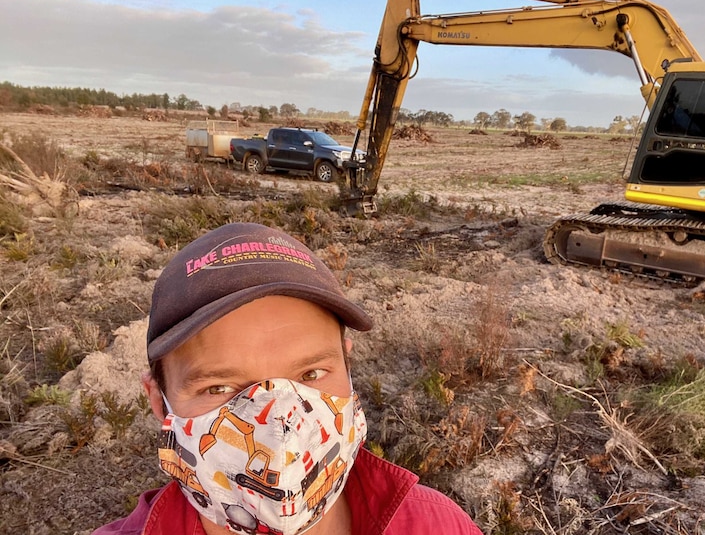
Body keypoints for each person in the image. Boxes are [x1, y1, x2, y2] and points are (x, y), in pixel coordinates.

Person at [93, 222, 482, 535]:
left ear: (348, 371)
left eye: (310, 374)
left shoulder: (437, 524)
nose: (279, 423)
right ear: (160, 402)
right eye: (220, 388)